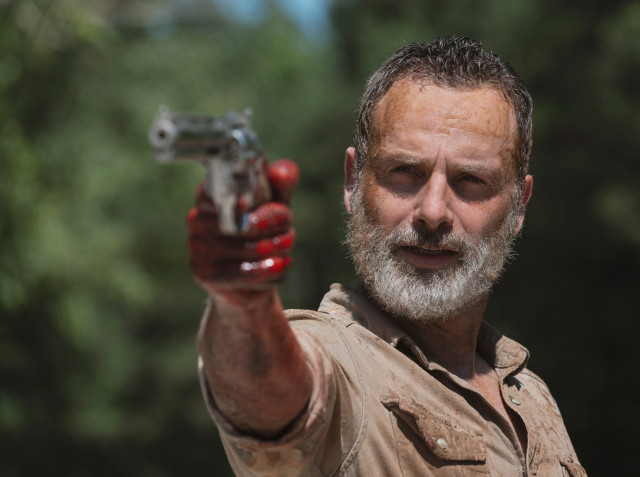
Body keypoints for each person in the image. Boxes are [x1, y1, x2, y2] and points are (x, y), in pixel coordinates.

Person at [187, 36, 587, 476]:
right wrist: (243, 310)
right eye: (404, 172)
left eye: (471, 180)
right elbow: (268, 395)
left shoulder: (531, 394)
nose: (432, 211)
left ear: (518, 207)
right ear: (353, 181)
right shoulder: (340, 361)